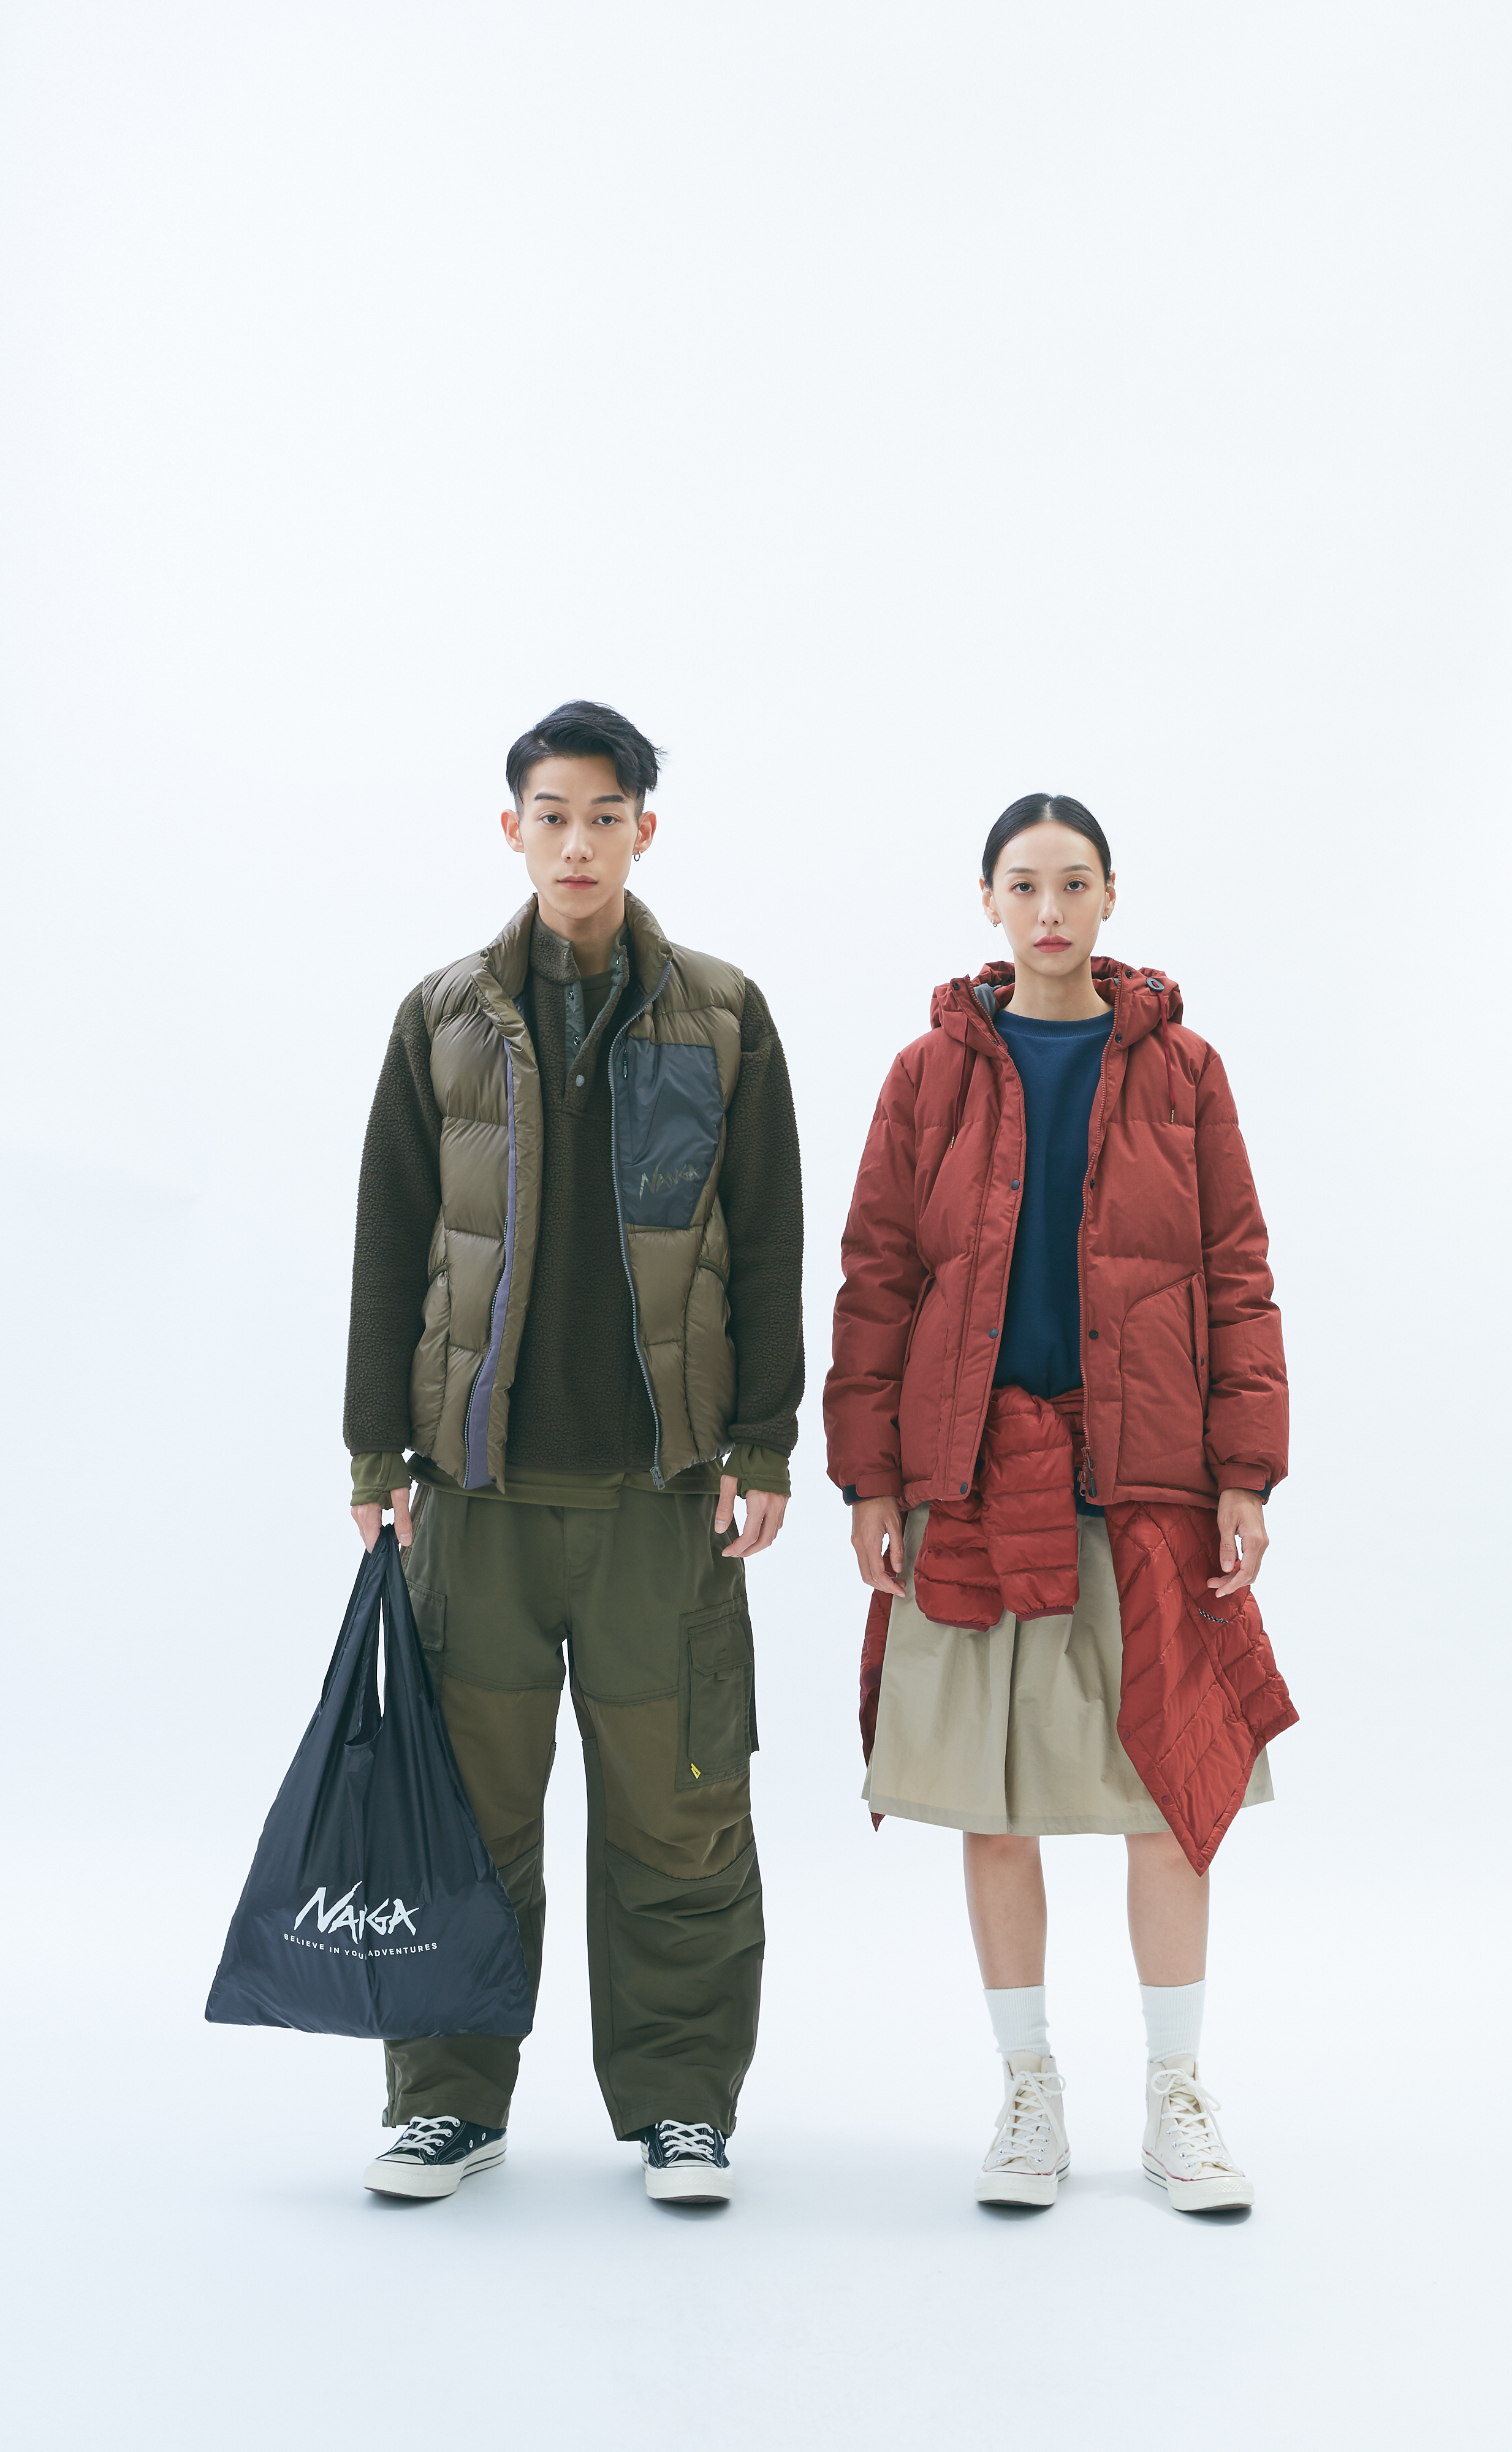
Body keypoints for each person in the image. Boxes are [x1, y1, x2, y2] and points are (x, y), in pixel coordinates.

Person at [344, 700, 803, 2204]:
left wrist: (763, 1442)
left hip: (659, 1500)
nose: (578, 841)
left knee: (679, 1817)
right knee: (464, 1821)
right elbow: (390, 1237)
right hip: (474, 1500)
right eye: (551, 814)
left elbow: (768, 1240)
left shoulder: (720, 1014)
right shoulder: (441, 1016)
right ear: (513, 829)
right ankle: (445, 2104)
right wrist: (372, 1447)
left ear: (642, 830)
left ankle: (681, 2107)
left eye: (605, 815)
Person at [824, 794, 1294, 2213]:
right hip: (971, 1480)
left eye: (1072, 883)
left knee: (1170, 1795)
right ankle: (1026, 2090)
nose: (1047, 909)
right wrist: (869, 1477)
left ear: (1107, 897)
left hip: (1142, 1479)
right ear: (986, 899)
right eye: (1022, 883)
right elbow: (875, 1281)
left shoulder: (1184, 1071)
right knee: (993, 1803)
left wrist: (1242, 1470)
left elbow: (1235, 1272)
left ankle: (1174, 2092)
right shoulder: (925, 1075)